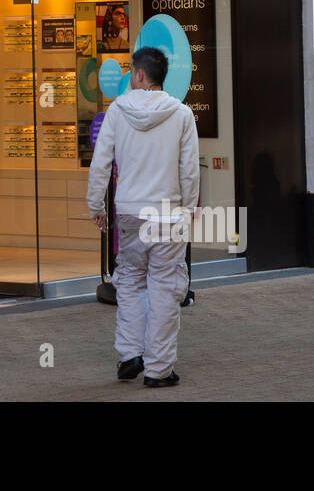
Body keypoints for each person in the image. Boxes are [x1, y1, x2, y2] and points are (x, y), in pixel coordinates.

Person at [86, 46, 199, 388]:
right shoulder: (181, 114)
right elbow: (190, 171)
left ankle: (129, 355)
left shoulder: (117, 111)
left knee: (130, 282)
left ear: (138, 74)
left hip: (131, 213)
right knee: (166, 288)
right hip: (168, 214)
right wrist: (189, 209)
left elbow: (101, 162)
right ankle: (158, 369)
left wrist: (97, 207)